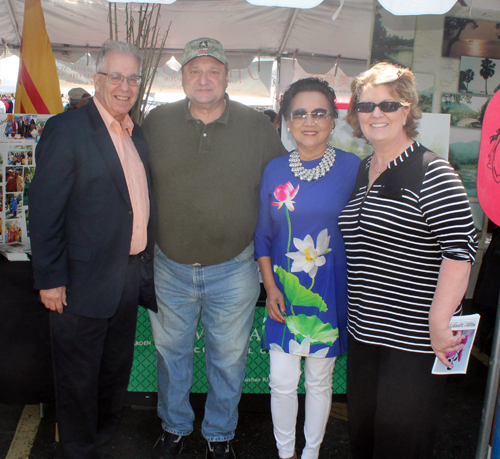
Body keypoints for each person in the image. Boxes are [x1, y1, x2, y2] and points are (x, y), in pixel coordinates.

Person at [142, 37, 287, 459]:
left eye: (213, 71)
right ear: (182, 76)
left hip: (236, 268)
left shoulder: (258, 127)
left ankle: (220, 434)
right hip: (170, 266)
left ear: (227, 76)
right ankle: (174, 427)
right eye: (194, 70)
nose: (203, 79)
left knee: (228, 360)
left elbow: (279, 190)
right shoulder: (157, 121)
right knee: (172, 357)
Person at [338, 62, 478, 459]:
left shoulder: (433, 172)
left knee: (400, 442)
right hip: (365, 333)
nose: (376, 114)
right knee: (364, 435)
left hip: (413, 341)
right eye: (366, 106)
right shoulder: (365, 168)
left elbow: (459, 252)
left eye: (387, 104)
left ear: (407, 109)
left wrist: (438, 322)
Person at [29, 41, 156, 459]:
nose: (125, 85)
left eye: (132, 77)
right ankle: (80, 451)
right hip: (80, 284)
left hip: (125, 281)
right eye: (115, 76)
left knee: (112, 375)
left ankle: (100, 444)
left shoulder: (134, 134)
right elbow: (45, 209)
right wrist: (50, 279)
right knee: (78, 380)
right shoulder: (67, 129)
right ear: (97, 79)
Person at [254, 78, 360, 459]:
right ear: (286, 120)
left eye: (320, 112)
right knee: (281, 381)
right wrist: (270, 288)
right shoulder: (274, 170)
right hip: (283, 288)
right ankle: (286, 454)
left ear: (334, 120)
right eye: (299, 113)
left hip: (330, 290)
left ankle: (311, 453)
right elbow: (263, 236)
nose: (309, 121)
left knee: (319, 380)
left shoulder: (354, 169)